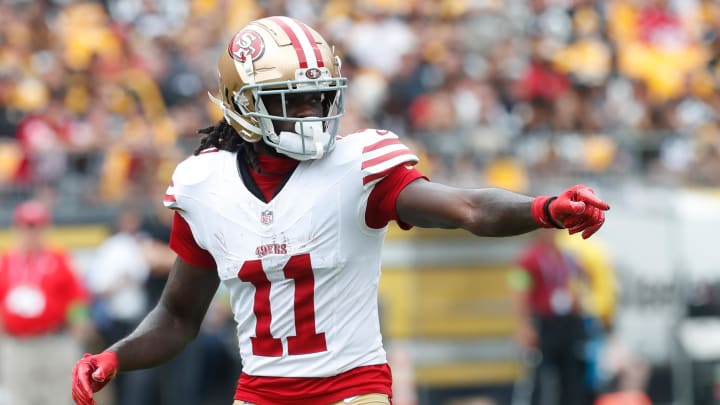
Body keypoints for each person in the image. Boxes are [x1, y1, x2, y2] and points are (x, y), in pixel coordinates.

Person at [71, 16, 610, 405]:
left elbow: (467, 206)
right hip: (258, 395)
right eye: (290, 100)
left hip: (353, 393)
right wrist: (115, 356)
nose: (310, 114)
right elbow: (178, 317)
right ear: (240, 104)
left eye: (319, 97)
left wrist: (543, 208)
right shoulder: (202, 184)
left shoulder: (357, 167)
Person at [0, 199, 91, 405]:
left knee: (59, 399)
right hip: (17, 346)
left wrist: (80, 323)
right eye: (26, 227)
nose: (31, 234)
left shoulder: (60, 259)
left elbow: (77, 299)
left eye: (37, 227)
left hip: (55, 342)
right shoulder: (6, 262)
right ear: (17, 229)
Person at [508, 229, 595, 405]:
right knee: (540, 376)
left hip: (567, 322)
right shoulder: (527, 258)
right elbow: (517, 291)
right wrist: (524, 325)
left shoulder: (565, 254)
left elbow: (583, 276)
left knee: (572, 374)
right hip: (544, 323)